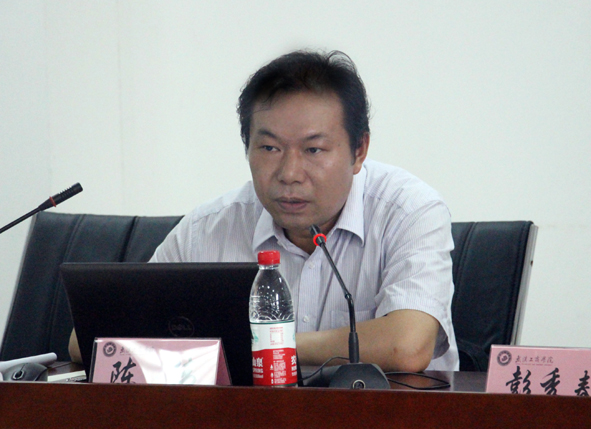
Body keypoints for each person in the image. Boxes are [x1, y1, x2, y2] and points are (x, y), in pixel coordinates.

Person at [71, 50, 458, 372]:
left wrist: (263, 345)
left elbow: (407, 345)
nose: (289, 174)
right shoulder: (209, 229)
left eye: (314, 149)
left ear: (359, 151)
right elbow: (88, 340)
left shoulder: (409, 212)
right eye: (270, 148)